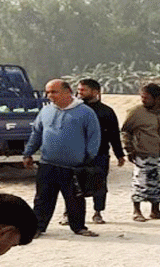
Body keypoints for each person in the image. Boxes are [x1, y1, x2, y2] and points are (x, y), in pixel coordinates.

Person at [22, 79, 101, 237]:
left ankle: (79, 227)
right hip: (47, 164)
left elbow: (94, 137)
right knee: (42, 199)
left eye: (54, 92)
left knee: (75, 199)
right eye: (48, 92)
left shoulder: (85, 112)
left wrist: (88, 158)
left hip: (74, 166)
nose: (50, 95)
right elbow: (36, 133)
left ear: (68, 91)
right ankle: (38, 227)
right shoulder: (45, 111)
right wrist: (28, 153)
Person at [121, 83, 160, 222]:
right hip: (142, 152)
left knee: (159, 182)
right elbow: (125, 131)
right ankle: (137, 211)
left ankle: (155, 211)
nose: (143, 100)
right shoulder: (136, 112)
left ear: (158, 98)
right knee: (140, 183)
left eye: (146, 98)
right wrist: (129, 149)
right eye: (142, 97)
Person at [77, 78, 125, 224]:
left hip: (100, 153)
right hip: (77, 154)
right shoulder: (74, 110)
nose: (79, 93)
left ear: (95, 92)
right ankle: (70, 213)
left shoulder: (106, 112)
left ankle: (97, 212)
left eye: (83, 90)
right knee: (75, 185)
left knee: (99, 184)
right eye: (78, 90)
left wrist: (120, 154)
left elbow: (114, 134)